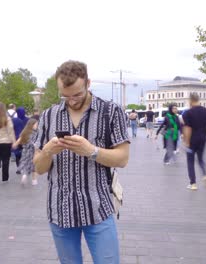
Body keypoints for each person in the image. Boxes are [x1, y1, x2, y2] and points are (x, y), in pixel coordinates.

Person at [33, 61, 130, 263]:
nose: (71, 100)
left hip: (98, 209)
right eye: (65, 95)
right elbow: (39, 168)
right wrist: (47, 152)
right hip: (60, 210)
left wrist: (91, 151)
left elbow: (122, 159)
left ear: (88, 83)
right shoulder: (49, 116)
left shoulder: (110, 112)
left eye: (77, 94)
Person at [182, 93, 206, 191]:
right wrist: (204, 134)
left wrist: (187, 141)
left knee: (190, 161)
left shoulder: (188, 113)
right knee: (201, 159)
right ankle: (205, 174)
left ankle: (193, 183)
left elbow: (187, 128)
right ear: (198, 100)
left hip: (192, 140)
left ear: (190, 100)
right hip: (202, 139)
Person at [13, 119, 39, 185]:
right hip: (33, 151)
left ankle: (24, 176)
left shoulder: (25, 132)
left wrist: (15, 144)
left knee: (25, 164)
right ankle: (34, 180)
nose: (37, 125)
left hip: (25, 151)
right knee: (34, 165)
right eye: (36, 124)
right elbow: (37, 142)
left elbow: (20, 139)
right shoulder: (36, 132)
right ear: (31, 125)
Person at [11, 107, 29, 173]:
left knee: (17, 154)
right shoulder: (27, 119)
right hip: (25, 138)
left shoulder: (14, 120)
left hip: (17, 138)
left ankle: (19, 167)